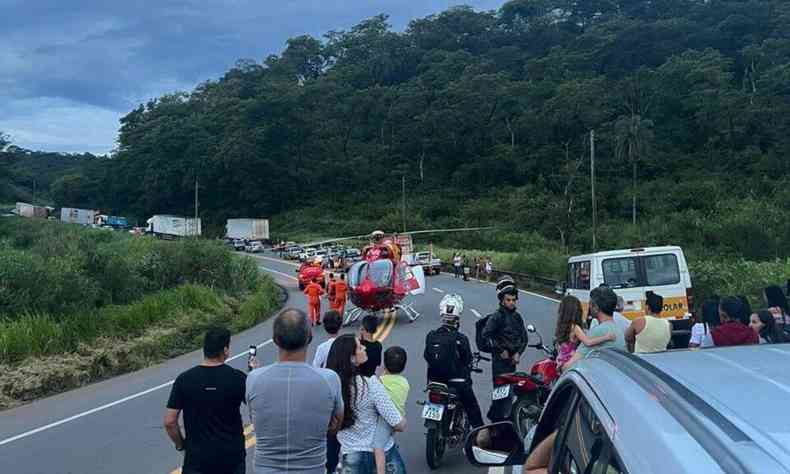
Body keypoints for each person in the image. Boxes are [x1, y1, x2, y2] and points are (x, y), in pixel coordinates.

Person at [246, 309, 344, 474]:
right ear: (309, 337)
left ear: (275, 340)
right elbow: (336, 426)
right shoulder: (329, 379)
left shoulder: (254, 379)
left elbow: (255, 420)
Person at [164, 327, 247, 474]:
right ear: (225, 350)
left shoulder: (184, 380)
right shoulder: (237, 378)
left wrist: (182, 445)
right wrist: (253, 375)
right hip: (231, 458)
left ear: (204, 349)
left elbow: (170, 422)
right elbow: (257, 407)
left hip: (197, 460)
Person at [328, 335, 406, 474]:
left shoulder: (331, 388)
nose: (364, 347)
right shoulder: (370, 385)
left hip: (351, 458)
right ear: (351, 358)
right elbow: (398, 423)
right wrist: (403, 419)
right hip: (385, 456)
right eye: (359, 346)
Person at [424, 294, 485, 428]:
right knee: (472, 407)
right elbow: (467, 359)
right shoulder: (461, 338)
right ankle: (480, 435)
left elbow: (427, 356)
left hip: (435, 382)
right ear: (457, 318)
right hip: (456, 383)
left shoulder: (431, 336)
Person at [482, 276, 528, 421]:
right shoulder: (496, 317)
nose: (511, 302)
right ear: (502, 300)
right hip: (499, 363)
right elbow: (486, 335)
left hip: (512, 363)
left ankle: (502, 420)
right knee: (500, 393)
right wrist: (500, 350)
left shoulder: (517, 317)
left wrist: (518, 353)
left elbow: (524, 338)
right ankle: (495, 421)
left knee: (509, 393)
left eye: (514, 300)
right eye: (508, 300)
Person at [563, 286, 627, 370]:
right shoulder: (618, 330)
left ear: (596, 308)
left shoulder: (598, 331)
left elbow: (569, 366)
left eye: (590, 304)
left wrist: (560, 368)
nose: (589, 307)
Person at [372, 347, 410, 474]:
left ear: (384, 364)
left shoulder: (380, 381)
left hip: (384, 420)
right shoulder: (404, 383)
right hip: (398, 417)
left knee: (378, 446)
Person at [553, 295, 615, 369]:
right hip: (570, 362)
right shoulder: (575, 327)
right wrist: (607, 337)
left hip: (561, 361)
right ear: (576, 310)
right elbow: (588, 342)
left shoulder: (562, 326)